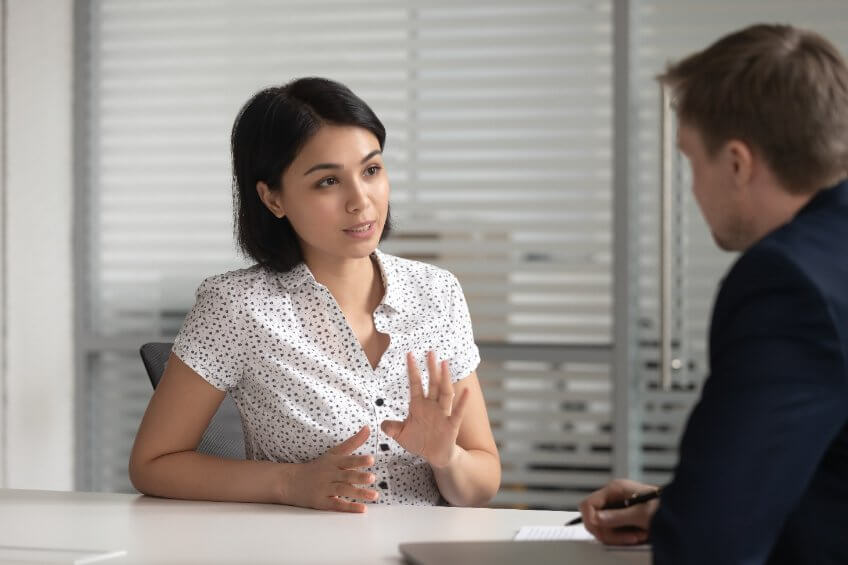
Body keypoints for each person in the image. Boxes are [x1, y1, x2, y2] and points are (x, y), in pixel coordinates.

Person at [129, 77, 501, 512]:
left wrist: (447, 457)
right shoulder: (237, 306)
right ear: (273, 199)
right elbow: (153, 464)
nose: (360, 201)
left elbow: (481, 484)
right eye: (327, 181)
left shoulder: (437, 292)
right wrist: (289, 483)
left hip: (424, 545)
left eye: (371, 170)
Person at [579, 24, 848, 564]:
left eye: (690, 160)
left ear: (736, 164)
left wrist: (693, 515)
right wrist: (676, 505)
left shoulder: (787, 282)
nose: (693, 188)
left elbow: (709, 545)